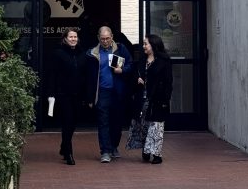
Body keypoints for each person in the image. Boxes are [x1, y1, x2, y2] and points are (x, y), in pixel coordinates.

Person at [86, 26, 132, 163]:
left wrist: (122, 70)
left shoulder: (120, 49)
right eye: (102, 39)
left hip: (117, 91)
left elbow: (130, 65)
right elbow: (89, 77)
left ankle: (114, 146)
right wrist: (89, 96)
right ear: (98, 38)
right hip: (102, 92)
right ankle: (105, 151)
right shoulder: (92, 53)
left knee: (117, 122)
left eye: (107, 38)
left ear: (112, 37)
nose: (105, 41)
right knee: (103, 122)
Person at [48, 28, 88, 165]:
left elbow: (85, 75)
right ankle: (69, 153)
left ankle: (63, 146)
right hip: (63, 94)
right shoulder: (58, 54)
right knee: (67, 122)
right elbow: (52, 74)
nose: (73, 39)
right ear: (65, 38)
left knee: (73, 123)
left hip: (78, 94)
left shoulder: (83, 54)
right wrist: (52, 93)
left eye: (75, 37)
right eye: (70, 37)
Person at [136, 33, 173, 164]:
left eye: (146, 43)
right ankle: (146, 150)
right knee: (144, 126)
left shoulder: (164, 61)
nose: (144, 46)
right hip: (143, 98)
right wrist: (138, 80)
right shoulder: (142, 60)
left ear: (154, 45)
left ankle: (157, 154)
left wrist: (165, 100)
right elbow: (136, 75)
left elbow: (168, 82)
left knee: (156, 127)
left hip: (158, 99)